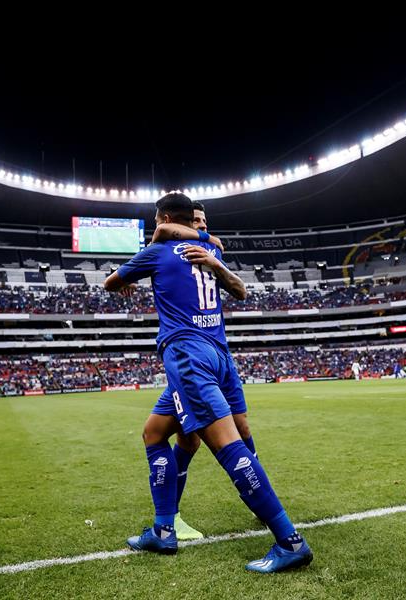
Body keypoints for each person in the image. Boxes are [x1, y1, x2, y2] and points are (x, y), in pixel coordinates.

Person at [105, 193, 312, 573]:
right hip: (217, 354)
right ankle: (163, 529)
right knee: (154, 433)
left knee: (228, 446)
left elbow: (110, 282)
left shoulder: (160, 250)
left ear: (163, 218)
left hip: (188, 357)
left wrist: (131, 270)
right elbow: (205, 252)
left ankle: (290, 541)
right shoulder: (207, 248)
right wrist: (206, 242)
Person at [143, 200, 254, 541]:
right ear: (183, 224)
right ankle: (171, 518)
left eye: (205, 222)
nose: (202, 226)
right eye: (195, 222)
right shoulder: (174, 249)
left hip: (213, 358)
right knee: (184, 438)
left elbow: (241, 291)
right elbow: (162, 232)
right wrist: (209, 242)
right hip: (190, 361)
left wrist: (215, 261)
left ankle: (169, 521)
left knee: (225, 431)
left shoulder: (209, 254)